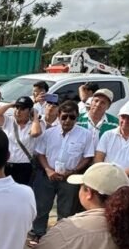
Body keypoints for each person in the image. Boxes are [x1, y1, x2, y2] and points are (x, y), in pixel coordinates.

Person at [31, 100, 96, 240]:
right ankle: (38, 233)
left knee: (66, 209)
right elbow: (40, 153)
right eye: (64, 116)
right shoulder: (49, 133)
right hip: (48, 175)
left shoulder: (86, 135)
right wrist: (48, 170)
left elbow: (87, 157)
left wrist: (73, 171)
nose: (68, 120)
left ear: (77, 117)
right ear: (59, 116)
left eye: (72, 117)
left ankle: (60, 237)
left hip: (70, 177)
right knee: (42, 206)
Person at [0, 96, 36, 187]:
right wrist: (11, 104)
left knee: (21, 195)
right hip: (7, 164)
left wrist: (35, 116)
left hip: (24, 166)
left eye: (23, 108)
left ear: (29, 111)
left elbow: (36, 132)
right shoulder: (9, 121)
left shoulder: (34, 124)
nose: (18, 111)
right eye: (17, 107)